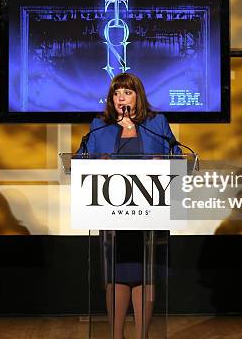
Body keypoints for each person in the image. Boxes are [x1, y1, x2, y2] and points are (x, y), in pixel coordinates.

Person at [81, 72, 181, 339]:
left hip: (149, 210)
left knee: (144, 273)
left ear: (138, 96)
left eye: (127, 92)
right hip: (111, 211)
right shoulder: (99, 126)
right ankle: (116, 335)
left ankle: (142, 335)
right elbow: (81, 158)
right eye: (116, 93)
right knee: (117, 273)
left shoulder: (156, 123)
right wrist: (95, 162)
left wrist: (164, 162)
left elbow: (178, 155)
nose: (121, 97)